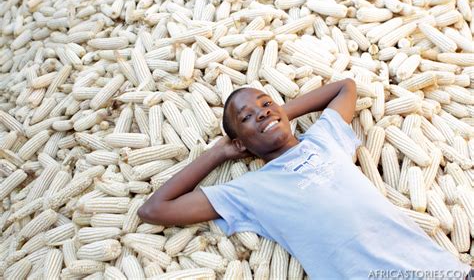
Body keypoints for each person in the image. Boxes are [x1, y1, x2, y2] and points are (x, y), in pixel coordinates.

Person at [137, 78, 471, 279]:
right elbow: (154, 210)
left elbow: (344, 87)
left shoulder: (325, 140)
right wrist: (218, 153)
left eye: (266, 103)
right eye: (247, 117)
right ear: (240, 143)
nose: (262, 112)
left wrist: (278, 113)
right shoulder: (249, 191)